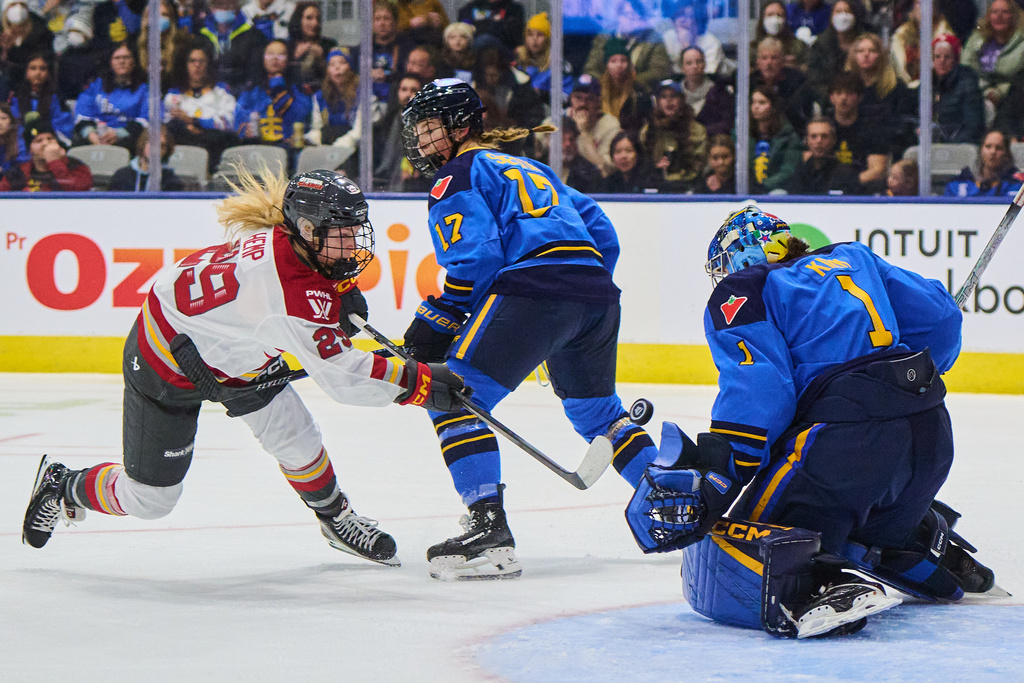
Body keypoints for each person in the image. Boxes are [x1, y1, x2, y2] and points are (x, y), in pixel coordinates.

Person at [21, 167, 465, 565]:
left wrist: (338, 284)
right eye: (340, 234)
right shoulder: (288, 296)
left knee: (296, 435)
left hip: (233, 353)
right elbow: (345, 378)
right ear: (308, 229)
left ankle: (336, 520)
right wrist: (419, 384)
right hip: (167, 359)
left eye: (354, 231)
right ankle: (65, 485)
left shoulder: (288, 240)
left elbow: (305, 302)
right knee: (152, 499)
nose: (352, 243)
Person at [625, 205, 997, 639]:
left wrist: (719, 474)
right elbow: (942, 320)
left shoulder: (743, 288)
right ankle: (911, 545)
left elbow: (761, 389)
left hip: (847, 443)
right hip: (930, 434)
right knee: (861, 510)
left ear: (740, 257)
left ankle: (814, 583)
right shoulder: (854, 258)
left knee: (731, 547)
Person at [399, 79, 660, 579]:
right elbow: (602, 232)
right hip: (596, 297)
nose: (422, 141)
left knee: (453, 397)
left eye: (430, 128)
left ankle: (488, 528)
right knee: (597, 413)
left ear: (459, 127)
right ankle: (671, 497)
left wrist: (441, 317)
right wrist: (577, 287)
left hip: (537, 292)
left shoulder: (455, 177)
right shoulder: (532, 167)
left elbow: (478, 259)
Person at [163, 43, 240, 175]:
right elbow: (163, 122)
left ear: (208, 65)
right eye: (192, 61)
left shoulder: (221, 93)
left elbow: (228, 122)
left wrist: (194, 122)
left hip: (211, 143)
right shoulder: (172, 95)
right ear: (186, 65)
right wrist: (186, 127)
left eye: (201, 61)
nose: (197, 65)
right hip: (182, 142)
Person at [234, 39, 312, 153]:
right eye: (270, 54)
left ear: (289, 60)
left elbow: (300, 117)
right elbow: (239, 119)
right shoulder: (251, 92)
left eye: (281, 54)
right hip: (257, 146)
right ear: (262, 58)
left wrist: (278, 88)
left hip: (287, 148)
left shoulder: (299, 90)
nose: (275, 58)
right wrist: (245, 130)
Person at [73, 41, 149, 152]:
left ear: (134, 61)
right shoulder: (96, 86)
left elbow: (148, 118)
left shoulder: (145, 89)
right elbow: (83, 114)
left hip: (129, 139)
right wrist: (91, 134)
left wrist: (119, 134)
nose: (122, 61)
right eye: (117, 58)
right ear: (110, 62)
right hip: (97, 137)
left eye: (126, 57)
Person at [827, 72, 891, 194]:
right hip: (827, 187)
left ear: (859, 97)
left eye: (849, 93)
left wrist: (849, 183)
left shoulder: (873, 128)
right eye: (839, 93)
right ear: (831, 98)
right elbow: (811, 160)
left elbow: (878, 170)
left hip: (862, 189)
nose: (843, 98)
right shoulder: (822, 126)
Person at [639, 79, 707, 192]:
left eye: (673, 96)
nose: (669, 101)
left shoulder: (697, 131)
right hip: (657, 186)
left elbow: (700, 164)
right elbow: (643, 163)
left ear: (681, 100)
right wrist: (655, 168)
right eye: (663, 96)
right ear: (657, 101)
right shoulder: (647, 132)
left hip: (689, 186)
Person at [961, 0, 1024, 123]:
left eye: (1005, 12)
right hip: (978, 94)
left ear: (1014, 16)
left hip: (1012, 98)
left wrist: (1000, 92)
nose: (999, 16)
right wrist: (986, 91)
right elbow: (967, 70)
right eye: (995, 12)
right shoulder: (976, 39)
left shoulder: (1021, 43)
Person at [197, 0, 268, 94]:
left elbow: (255, 74)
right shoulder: (202, 36)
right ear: (211, 8)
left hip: (242, 93)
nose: (223, 9)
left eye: (228, 5)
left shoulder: (252, 35)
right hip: (207, 92)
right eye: (219, 4)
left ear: (237, 7)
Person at [0, 119, 92, 190]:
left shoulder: (75, 165)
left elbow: (78, 190)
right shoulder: (17, 174)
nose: (46, 143)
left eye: (50, 138)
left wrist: (55, 161)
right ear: (30, 150)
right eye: (39, 141)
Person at [787, 116, 864, 195]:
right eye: (814, 136)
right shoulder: (800, 173)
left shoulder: (846, 174)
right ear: (806, 141)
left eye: (824, 136)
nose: (819, 141)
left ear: (833, 140)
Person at [748, 84, 803, 194]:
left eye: (762, 103)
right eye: (753, 102)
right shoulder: (744, 135)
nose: (756, 107)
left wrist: (764, 185)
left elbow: (788, 170)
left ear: (773, 107)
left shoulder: (788, 137)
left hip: (775, 190)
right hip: (747, 189)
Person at [9, 53, 74, 145]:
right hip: (19, 147)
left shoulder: (56, 98)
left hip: (48, 144)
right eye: (33, 68)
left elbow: (63, 127)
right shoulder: (15, 98)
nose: (37, 73)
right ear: (26, 72)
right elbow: (13, 125)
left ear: (49, 73)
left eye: (42, 69)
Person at [931, 34, 985, 143]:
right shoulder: (927, 83)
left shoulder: (967, 83)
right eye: (937, 56)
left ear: (956, 59)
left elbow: (973, 125)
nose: (942, 61)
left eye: (947, 57)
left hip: (957, 145)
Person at [890, 0, 956, 85]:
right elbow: (898, 66)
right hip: (906, 88)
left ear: (935, 7)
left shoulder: (947, 36)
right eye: (919, 3)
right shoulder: (902, 35)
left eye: (927, 3)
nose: (923, 8)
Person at [567, 73, 620, 176]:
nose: (583, 104)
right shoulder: (559, 119)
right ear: (571, 99)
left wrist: (583, 132)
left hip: (594, 184)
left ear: (598, 102)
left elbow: (605, 170)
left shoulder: (610, 125)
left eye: (590, 99)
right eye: (578, 97)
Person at [944, 128, 1024, 196]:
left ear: (1007, 153)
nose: (993, 152)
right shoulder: (960, 181)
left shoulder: (1015, 185)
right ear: (981, 150)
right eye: (988, 146)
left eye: (999, 148)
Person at [679, 47, 734, 138]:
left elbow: (727, 124)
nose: (695, 66)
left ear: (704, 64)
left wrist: (702, 132)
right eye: (689, 63)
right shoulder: (675, 93)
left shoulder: (719, 92)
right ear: (682, 68)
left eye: (699, 61)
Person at [109, 128, 185, 191]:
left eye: (162, 146)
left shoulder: (171, 181)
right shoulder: (122, 176)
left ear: (166, 151)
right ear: (143, 143)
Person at [285, 0, 336, 91]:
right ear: (299, 20)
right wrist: (295, 58)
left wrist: (321, 60)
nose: (315, 23)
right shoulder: (288, 46)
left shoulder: (329, 45)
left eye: (318, 19)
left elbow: (337, 77)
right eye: (309, 18)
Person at [751, 1, 808, 71]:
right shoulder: (753, 48)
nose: (775, 19)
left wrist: (795, 67)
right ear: (762, 19)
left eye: (779, 15)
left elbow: (808, 69)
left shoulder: (798, 46)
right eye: (770, 15)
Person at [603, 128, 660, 193]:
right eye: (618, 151)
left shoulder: (651, 180)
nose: (623, 156)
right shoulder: (609, 182)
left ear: (638, 154)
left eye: (629, 151)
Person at [456, 0, 525, 53]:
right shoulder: (468, 9)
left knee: (485, 39)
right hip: (472, 51)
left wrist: (479, 25)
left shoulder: (514, 9)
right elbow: (465, 30)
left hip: (503, 51)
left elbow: (512, 34)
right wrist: (495, 23)